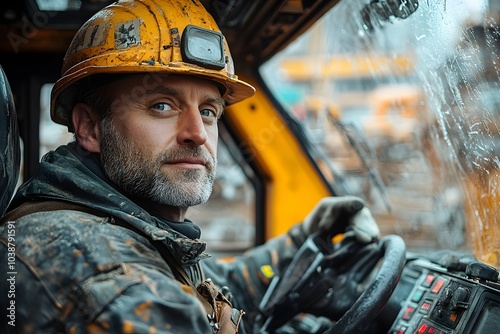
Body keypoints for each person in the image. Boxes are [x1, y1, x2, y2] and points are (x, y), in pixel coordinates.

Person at [0, 0, 380, 332]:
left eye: (209, 111)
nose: (197, 134)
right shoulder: (114, 287)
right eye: (162, 105)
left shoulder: (125, 228)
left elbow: (215, 285)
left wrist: (303, 240)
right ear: (90, 128)